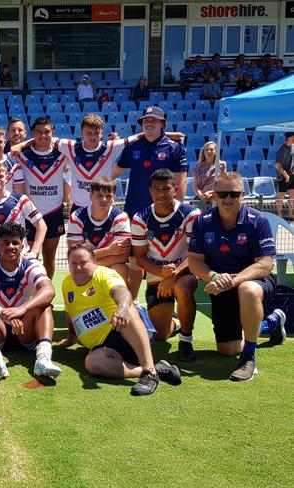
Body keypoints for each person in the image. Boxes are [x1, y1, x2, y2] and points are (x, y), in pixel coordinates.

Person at [188, 172, 287, 381]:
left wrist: (232, 280)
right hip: (220, 284)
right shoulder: (202, 222)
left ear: (242, 195)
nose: (228, 199)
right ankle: (271, 322)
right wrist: (215, 276)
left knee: (247, 290)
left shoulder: (257, 220)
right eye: (222, 193)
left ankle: (249, 357)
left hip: (254, 282)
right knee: (228, 349)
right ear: (214, 195)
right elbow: (194, 261)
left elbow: (265, 265)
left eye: (233, 194)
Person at [62, 243, 182, 395]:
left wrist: (122, 308)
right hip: (103, 348)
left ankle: (150, 373)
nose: (78, 268)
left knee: (128, 310)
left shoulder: (104, 275)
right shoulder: (67, 283)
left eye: (83, 263)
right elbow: (70, 311)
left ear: (94, 262)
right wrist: (71, 337)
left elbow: (121, 291)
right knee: (92, 364)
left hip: (123, 333)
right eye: (74, 263)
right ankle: (151, 370)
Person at [0, 223, 61, 380]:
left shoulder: (32, 266)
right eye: (5, 243)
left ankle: (43, 359)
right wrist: (1, 312)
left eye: (15, 242)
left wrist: (22, 309)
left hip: (25, 330)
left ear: (22, 245)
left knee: (44, 306)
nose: (10, 247)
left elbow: (49, 290)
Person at [115, 106, 188, 300]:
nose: (149, 123)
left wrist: (177, 211)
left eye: (154, 120)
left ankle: (167, 299)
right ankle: (133, 300)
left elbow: (180, 181)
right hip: (135, 210)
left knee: (166, 255)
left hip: (164, 212)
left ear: (162, 124)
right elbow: (112, 172)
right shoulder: (132, 147)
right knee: (134, 258)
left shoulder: (174, 147)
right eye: (146, 120)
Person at [131, 169, 201, 360]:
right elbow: (140, 257)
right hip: (157, 275)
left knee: (183, 286)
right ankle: (177, 322)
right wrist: (161, 272)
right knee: (161, 335)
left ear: (175, 189)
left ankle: (186, 341)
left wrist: (173, 276)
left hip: (185, 272)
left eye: (166, 188)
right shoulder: (140, 218)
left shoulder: (191, 214)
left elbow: (195, 254)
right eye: (156, 189)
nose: (161, 193)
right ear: (150, 191)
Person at [12, 117, 66, 279]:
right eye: (39, 132)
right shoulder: (22, 154)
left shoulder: (62, 153)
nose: (43, 135)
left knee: (49, 257)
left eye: (47, 132)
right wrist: (23, 144)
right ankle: (27, 294)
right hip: (30, 214)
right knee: (26, 257)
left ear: (53, 133)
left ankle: (46, 292)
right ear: (33, 133)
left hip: (54, 212)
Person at [66, 177, 131, 283]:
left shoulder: (120, 217)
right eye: (99, 195)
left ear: (113, 198)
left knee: (120, 268)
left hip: (98, 265)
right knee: (77, 268)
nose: (104, 200)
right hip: (85, 267)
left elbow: (123, 257)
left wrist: (91, 263)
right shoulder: (77, 217)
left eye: (108, 196)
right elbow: (75, 255)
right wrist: (109, 250)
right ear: (91, 196)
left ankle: (128, 299)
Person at [274, 131, 294, 219]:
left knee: (292, 195)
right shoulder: (282, 149)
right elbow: (277, 165)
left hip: (292, 175)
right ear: (290, 137)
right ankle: (279, 215)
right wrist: (285, 175)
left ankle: (290, 214)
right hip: (283, 176)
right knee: (281, 195)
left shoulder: (293, 147)